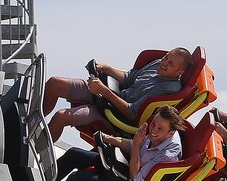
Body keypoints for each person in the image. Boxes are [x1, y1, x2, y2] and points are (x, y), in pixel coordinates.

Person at [34, 105, 186, 181]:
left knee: (78, 178)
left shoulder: (167, 157)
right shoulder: (160, 131)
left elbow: (135, 178)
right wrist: (108, 139)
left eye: (160, 129)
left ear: (170, 134)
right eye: (153, 124)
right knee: (74, 154)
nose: (153, 130)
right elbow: (134, 145)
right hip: (125, 168)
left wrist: (137, 146)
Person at [43, 48, 192, 142]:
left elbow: (131, 112)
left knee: (61, 116)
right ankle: (31, 124)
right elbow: (130, 77)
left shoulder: (169, 88)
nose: (164, 62)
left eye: (170, 63)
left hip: (115, 115)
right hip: (110, 94)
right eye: (166, 57)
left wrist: (103, 91)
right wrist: (106, 68)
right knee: (54, 83)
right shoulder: (158, 63)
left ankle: (35, 154)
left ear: (179, 73)